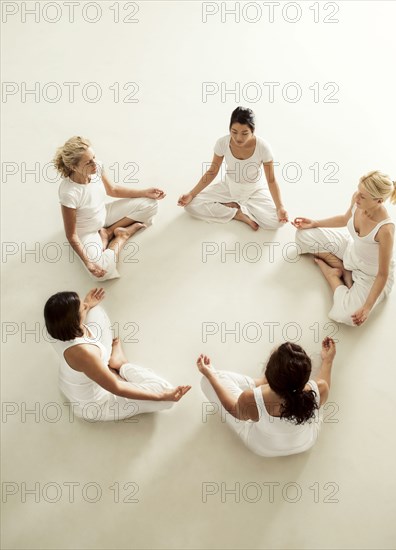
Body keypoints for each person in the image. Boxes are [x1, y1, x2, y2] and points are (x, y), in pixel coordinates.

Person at [44, 288, 191, 421]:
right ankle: (121, 365)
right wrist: (162, 396)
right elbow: (116, 388)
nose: (86, 304)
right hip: (97, 404)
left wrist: (88, 303)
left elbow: (83, 312)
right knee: (167, 397)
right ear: (74, 321)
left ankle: (109, 365)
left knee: (96, 310)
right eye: (82, 307)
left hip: (90, 368)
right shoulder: (84, 354)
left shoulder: (55, 330)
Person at [292, 170, 396, 326]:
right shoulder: (358, 200)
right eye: (358, 190)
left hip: (370, 275)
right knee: (303, 235)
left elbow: (383, 274)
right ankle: (342, 268)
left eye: (362, 196)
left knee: (349, 316)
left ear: (378, 201)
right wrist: (315, 223)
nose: (356, 197)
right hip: (351, 249)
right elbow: (345, 219)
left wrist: (367, 307)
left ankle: (333, 275)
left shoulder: (385, 230)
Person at [197, 338, 336, 457]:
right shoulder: (321, 389)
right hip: (305, 442)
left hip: (264, 448)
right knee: (317, 401)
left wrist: (210, 375)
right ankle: (269, 382)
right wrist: (328, 361)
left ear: (269, 376)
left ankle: (258, 382)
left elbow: (233, 409)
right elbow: (322, 383)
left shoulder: (252, 398)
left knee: (209, 382)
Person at [54, 136, 166, 281]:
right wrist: (88, 263)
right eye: (88, 162)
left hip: (104, 213)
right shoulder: (69, 192)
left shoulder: (97, 168)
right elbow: (71, 235)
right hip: (87, 232)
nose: (95, 163)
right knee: (102, 272)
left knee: (150, 204)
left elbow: (113, 190)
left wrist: (144, 192)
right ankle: (122, 236)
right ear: (73, 167)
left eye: (94, 157)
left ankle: (109, 231)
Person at [178, 107, 288, 231]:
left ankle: (240, 206)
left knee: (276, 222)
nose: (238, 138)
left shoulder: (263, 147)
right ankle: (237, 213)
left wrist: (280, 207)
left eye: (244, 133)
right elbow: (212, 171)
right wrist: (191, 194)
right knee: (190, 205)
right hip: (229, 186)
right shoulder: (222, 143)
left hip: (254, 189)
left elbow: (271, 180)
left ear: (253, 131)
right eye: (234, 132)